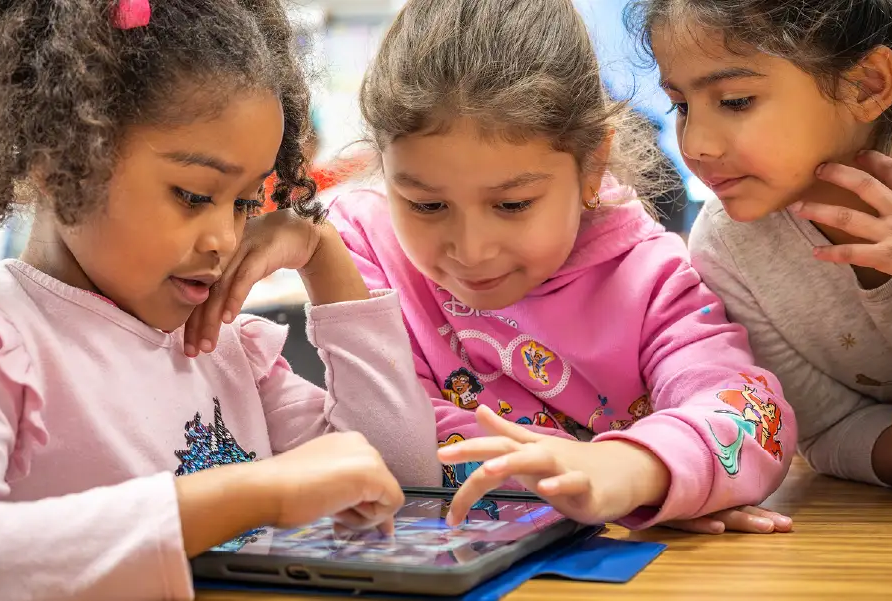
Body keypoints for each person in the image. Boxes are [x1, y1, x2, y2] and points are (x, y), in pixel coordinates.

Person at [0, 1, 439, 599]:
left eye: (243, 203)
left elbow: (401, 489)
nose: (226, 240)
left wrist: (324, 257)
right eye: (192, 194)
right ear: (61, 158)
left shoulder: (218, 344)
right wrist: (253, 494)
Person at [189, 0, 797, 536]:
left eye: (512, 205)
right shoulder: (361, 250)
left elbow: (750, 413)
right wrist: (645, 483)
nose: (470, 249)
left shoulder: (650, 277)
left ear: (591, 167)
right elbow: (395, 459)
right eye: (426, 205)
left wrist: (639, 470)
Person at [630, 0, 892, 496]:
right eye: (681, 105)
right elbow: (828, 429)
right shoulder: (729, 246)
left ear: (866, 85)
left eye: (735, 100)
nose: (697, 144)